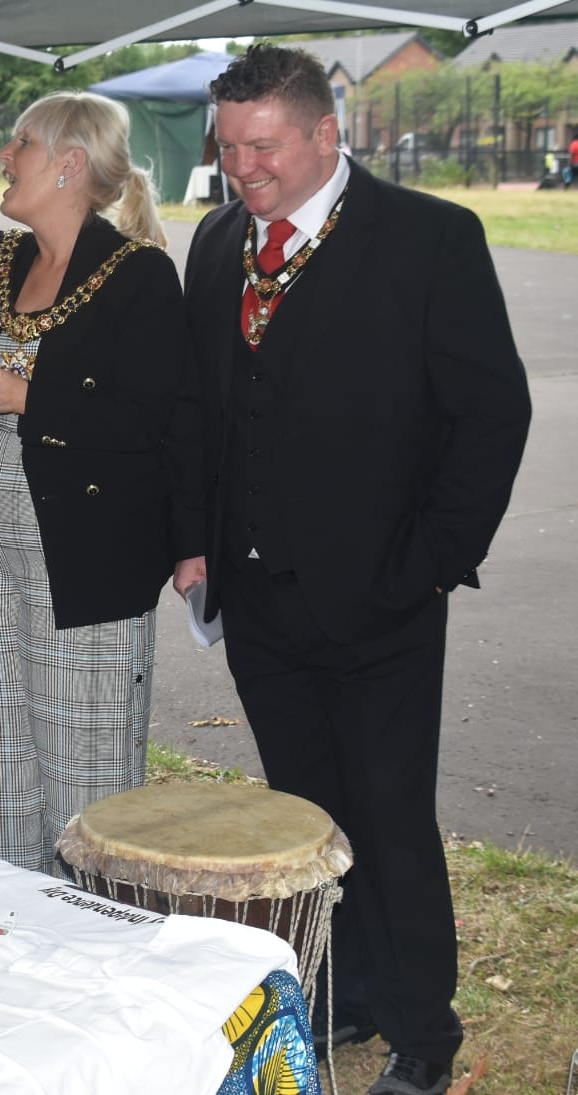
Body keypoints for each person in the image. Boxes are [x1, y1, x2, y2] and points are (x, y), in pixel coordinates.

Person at [180, 44, 530, 1095]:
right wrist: (193, 543)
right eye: (228, 147)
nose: (243, 168)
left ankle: (423, 1025)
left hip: (381, 598)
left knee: (386, 814)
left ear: (325, 134)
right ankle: (350, 996)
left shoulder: (428, 238)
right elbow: (203, 409)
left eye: (262, 147)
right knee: (306, 815)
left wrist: (425, 566)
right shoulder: (212, 244)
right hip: (257, 600)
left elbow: (488, 417)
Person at [0, 91, 203, 877]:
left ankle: (90, 931)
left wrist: (29, 395)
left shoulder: (141, 275)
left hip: (88, 548)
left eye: (20, 143)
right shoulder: (3, 255)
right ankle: (1, 924)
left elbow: (155, 420)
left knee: (80, 754)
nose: (4, 155)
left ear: (69, 165)